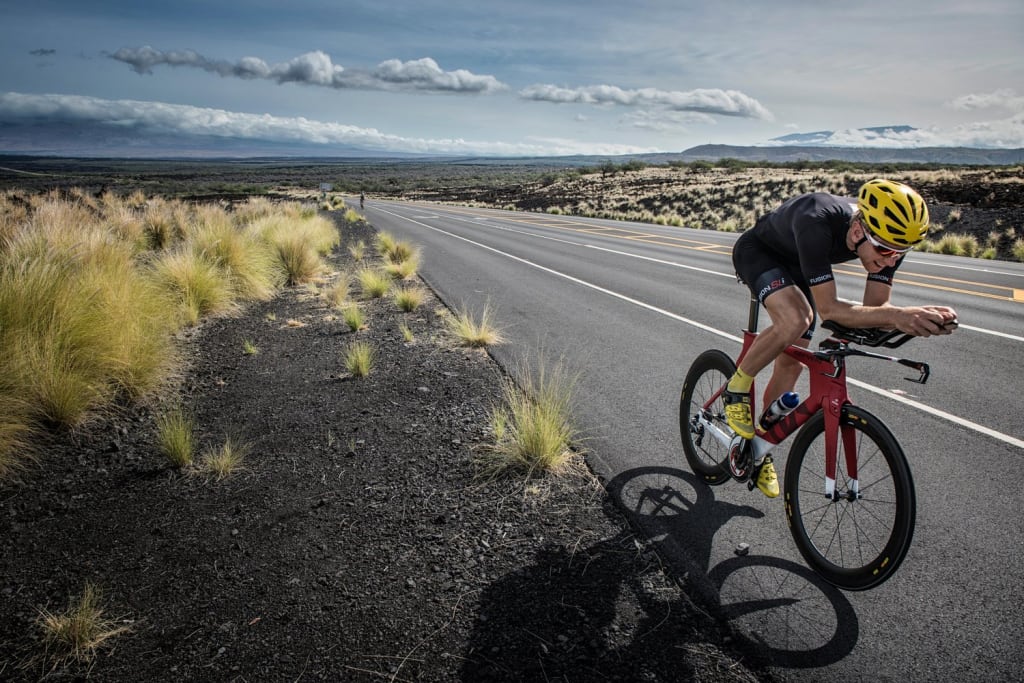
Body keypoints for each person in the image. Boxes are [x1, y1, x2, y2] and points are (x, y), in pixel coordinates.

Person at [726, 178, 958, 498]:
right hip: (760, 252)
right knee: (797, 318)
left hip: (800, 263)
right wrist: (898, 316)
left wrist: (914, 321)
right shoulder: (816, 220)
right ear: (858, 230)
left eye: (900, 254)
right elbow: (830, 310)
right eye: (886, 250)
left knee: (791, 362)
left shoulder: (888, 239)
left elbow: (876, 309)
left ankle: (758, 448)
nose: (891, 260)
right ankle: (736, 387)